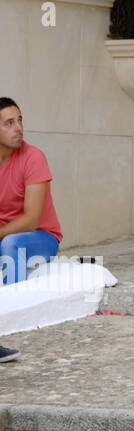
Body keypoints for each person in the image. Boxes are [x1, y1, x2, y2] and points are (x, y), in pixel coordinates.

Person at [0, 97, 64, 364]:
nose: (18, 128)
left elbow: (31, 218)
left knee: (11, 245)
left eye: (20, 120)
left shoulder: (33, 157)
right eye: (9, 123)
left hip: (40, 236)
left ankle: (6, 324)